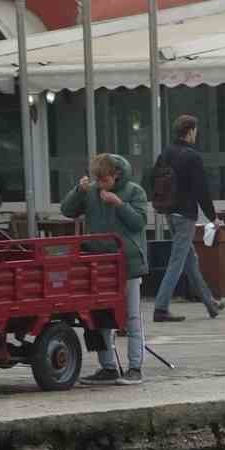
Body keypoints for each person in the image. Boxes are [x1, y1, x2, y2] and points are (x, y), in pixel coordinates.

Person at [62, 154, 148, 385]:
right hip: (97, 261)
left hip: (127, 262)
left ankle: (135, 367)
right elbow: (67, 210)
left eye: (105, 180)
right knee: (100, 316)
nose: (100, 184)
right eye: (97, 180)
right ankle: (108, 367)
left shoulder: (134, 191)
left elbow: (139, 222)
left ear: (116, 175)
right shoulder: (90, 191)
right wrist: (77, 191)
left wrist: (120, 205)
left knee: (131, 316)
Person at [151, 114, 223, 323]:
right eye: (195, 131)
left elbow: (153, 179)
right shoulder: (192, 156)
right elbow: (201, 190)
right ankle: (161, 308)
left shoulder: (166, 153)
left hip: (169, 213)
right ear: (190, 131)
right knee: (177, 261)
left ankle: (211, 305)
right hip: (185, 215)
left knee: (190, 261)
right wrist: (213, 217)